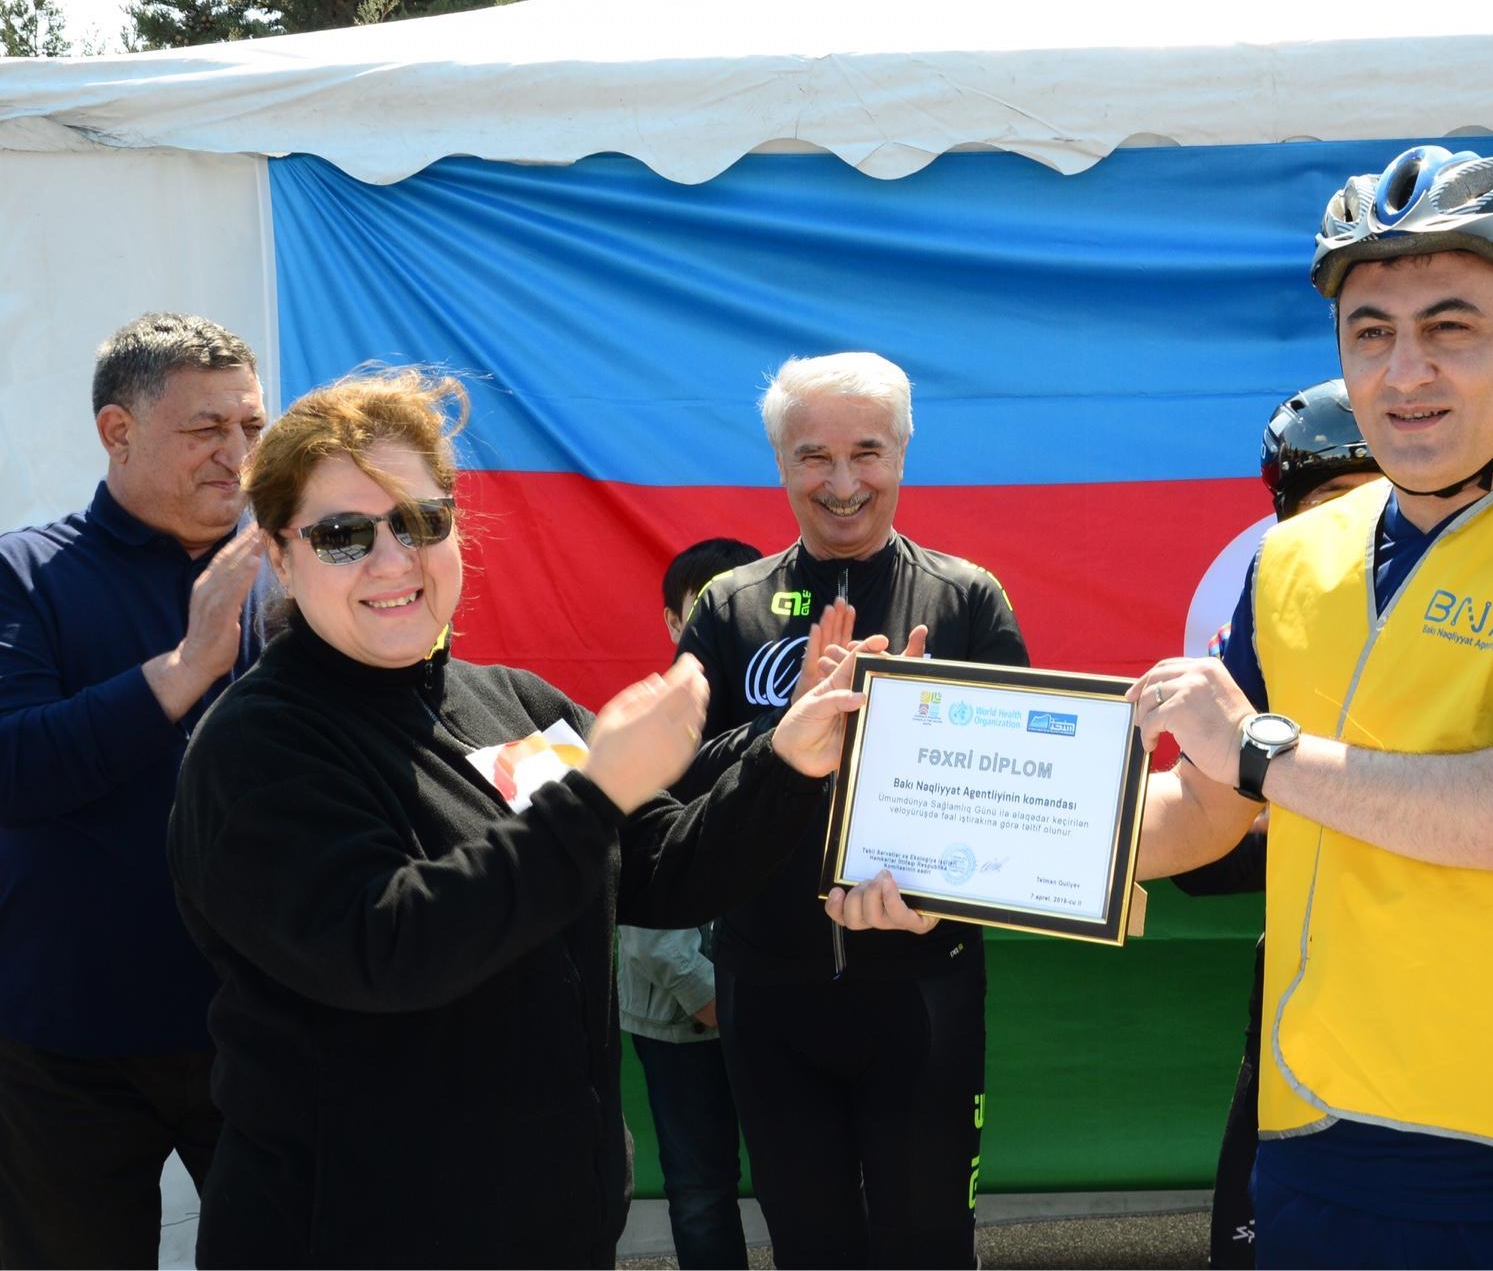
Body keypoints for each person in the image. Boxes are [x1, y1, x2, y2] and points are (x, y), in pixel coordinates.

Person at [835, 146, 1493, 1268]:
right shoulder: (1295, 558)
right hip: (1317, 1150)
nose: (1405, 371)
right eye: (1370, 333)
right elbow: (1199, 813)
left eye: (1452, 328)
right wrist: (941, 860)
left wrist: (1260, 750)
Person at [165, 370, 867, 1269]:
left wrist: (787, 764)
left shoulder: (511, 704)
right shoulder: (257, 746)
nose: (394, 561)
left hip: (556, 1234)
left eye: (421, 521)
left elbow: (663, 868)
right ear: (281, 554)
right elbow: (390, 946)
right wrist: (594, 795)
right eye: (343, 535)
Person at [673, 351, 1027, 1268]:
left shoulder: (966, 599)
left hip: (923, 986)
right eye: (813, 457)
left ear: (902, 453)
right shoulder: (729, 607)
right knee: (810, 1246)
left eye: (866, 453)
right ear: (780, 463)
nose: (841, 483)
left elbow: (1018, 796)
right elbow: (677, 787)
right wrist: (786, 732)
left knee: (928, 1243)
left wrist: (945, 893)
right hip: (769, 990)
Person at [0, 312, 268, 1269]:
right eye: (206, 429)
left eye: (251, 426)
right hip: (66, 1046)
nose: (237, 454)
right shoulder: (24, 572)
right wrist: (190, 665)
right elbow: (15, 770)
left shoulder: (298, 567)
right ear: (118, 431)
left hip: (259, 1022)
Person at [1174, 377, 1380, 1268]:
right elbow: (1201, 841)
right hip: (1300, 997)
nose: (1360, 519)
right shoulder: (1273, 609)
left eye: (1379, 493)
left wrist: (1293, 800)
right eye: (1331, 498)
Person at [618, 536, 762, 1269]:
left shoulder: (789, 722)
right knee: (701, 1188)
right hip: (682, 1017)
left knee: (802, 1172)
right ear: (674, 623)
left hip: (773, 1003)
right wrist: (716, 1001)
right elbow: (641, 901)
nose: (720, 622)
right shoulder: (643, 730)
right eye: (702, 609)